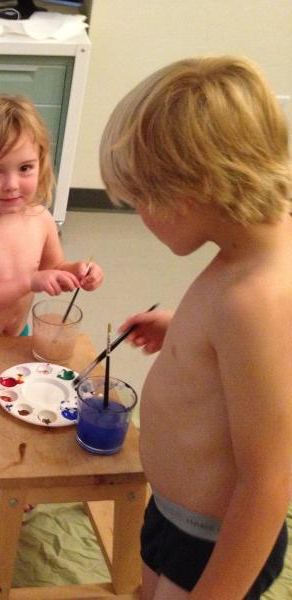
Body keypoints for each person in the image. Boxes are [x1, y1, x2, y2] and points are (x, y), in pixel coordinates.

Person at [100, 56, 292, 599]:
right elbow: (246, 358)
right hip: (173, 513)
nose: (139, 216)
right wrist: (183, 331)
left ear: (190, 191)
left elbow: (269, 482)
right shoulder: (243, 255)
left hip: (212, 542)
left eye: (140, 201)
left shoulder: (257, 300)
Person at [0, 94, 103, 338]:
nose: (11, 185)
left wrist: (77, 271)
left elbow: (54, 267)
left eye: (25, 168)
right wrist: (30, 281)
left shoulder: (41, 220)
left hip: (19, 335)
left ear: (41, 164)